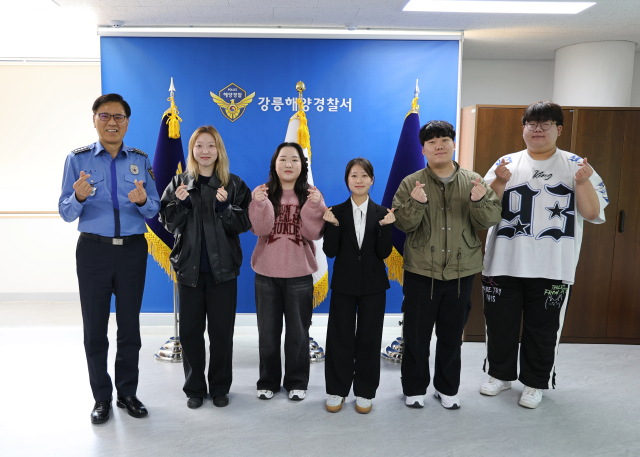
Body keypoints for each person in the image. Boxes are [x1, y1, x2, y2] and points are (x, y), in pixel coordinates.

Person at [479, 101, 608, 409]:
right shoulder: (506, 162)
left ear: (558, 129)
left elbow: (592, 213)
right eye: (531, 124)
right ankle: (499, 375)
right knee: (499, 324)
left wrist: (582, 181)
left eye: (545, 124)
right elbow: (483, 211)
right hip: (504, 261)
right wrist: (499, 180)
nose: (537, 130)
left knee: (544, 329)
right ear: (523, 128)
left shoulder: (577, 165)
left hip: (553, 265)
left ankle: (535, 382)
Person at [59, 93, 160, 424]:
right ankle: (101, 397)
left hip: (132, 250)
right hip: (93, 251)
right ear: (94, 120)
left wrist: (142, 201)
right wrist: (78, 197)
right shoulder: (77, 160)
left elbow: (154, 208)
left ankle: (127, 393)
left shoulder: (140, 160)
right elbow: (65, 211)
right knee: (94, 329)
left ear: (127, 122)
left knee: (129, 327)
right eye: (104, 116)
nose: (112, 122)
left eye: (118, 117)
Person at [392, 120, 502, 410]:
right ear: (423, 149)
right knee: (416, 336)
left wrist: (479, 201)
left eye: (444, 140)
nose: (438, 146)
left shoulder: (474, 180)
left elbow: (490, 219)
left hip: (460, 271)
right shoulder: (411, 182)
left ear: (454, 144)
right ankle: (414, 388)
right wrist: (415, 203)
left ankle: (447, 388)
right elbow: (401, 223)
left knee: (452, 336)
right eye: (431, 142)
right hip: (421, 271)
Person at [159, 126, 251, 409]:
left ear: (218, 150)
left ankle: (220, 387)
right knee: (190, 333)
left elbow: (245, 224)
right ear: (192, 150)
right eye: (199, 145)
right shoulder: (179, 183)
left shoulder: (233, 184)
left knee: (221, 334)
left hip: (223, 273)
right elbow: (168, 224)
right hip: (189, 272)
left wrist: (225, 209)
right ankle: (195, 389)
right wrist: (182, 205)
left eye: (211, 145)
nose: (205, 151)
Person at [248, 142, 325, 402]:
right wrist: (260, 204)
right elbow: (260, 229)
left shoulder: (312, 194)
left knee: (298, 334)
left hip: (299, 275)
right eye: (283, 159)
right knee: (268, 334)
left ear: (302, 165)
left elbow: (313, 233)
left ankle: (296, 381)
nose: (288, 164)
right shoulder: (262, 192)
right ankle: (267, 381)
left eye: (294, 159)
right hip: (266, 275)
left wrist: (314, 207)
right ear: (275, 164)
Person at [322, 158, 395, 414]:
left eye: (364, 175)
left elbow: (384, 253)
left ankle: (365, 391)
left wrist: (386, 228)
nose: (359, 180)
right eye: (354, 175)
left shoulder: (383, 213)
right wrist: (332, 226)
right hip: (344, 284)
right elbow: (330, 251)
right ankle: (337, 389)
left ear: (372, 180)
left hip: (374, 285)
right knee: (339, 337)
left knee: (369, 338)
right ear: (347, 180)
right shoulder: (335, 212)